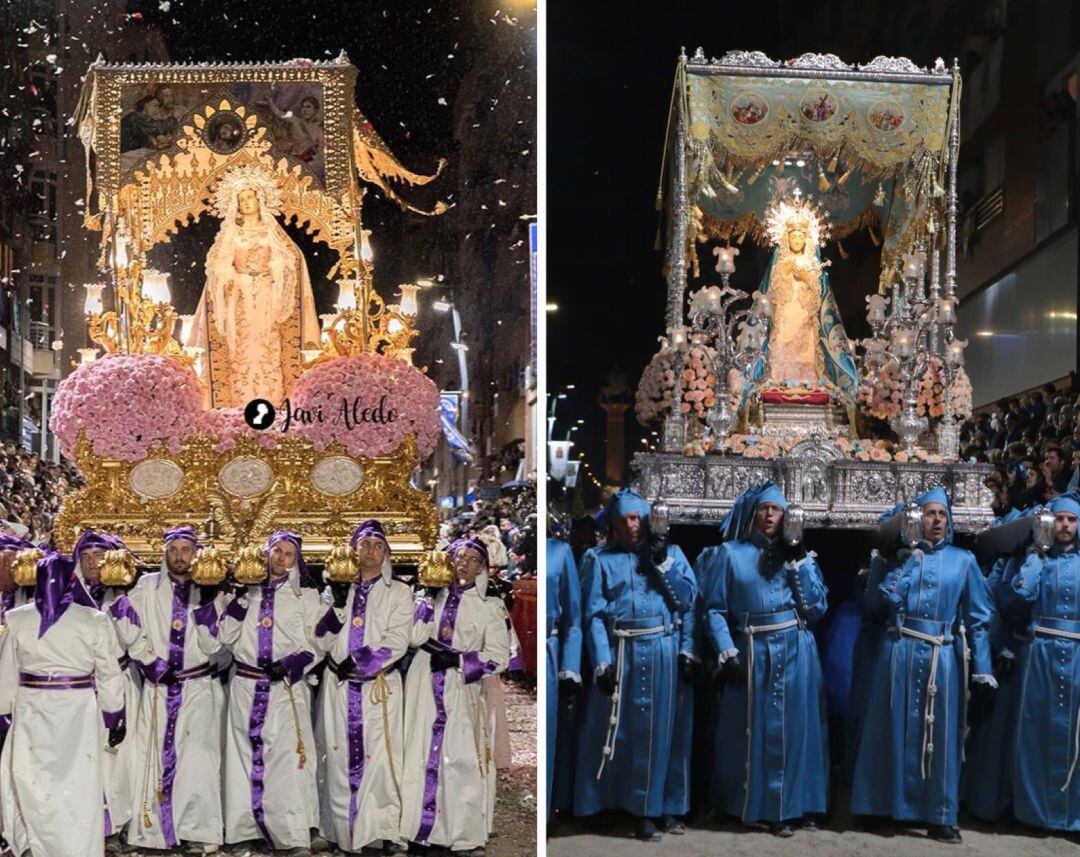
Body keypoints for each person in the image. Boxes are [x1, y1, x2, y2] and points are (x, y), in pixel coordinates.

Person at [850, 487, 995, 843]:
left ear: (950, 521)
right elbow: (875, 606)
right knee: (889, 724)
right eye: (930, 514)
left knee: (940, 734)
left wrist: (983, 670)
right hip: (897, 650)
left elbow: (978, 619)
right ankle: (879, 805)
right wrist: (889, 563)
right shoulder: (898, 560)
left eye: (942, 515)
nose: (936, 520)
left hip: (940, 656)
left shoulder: (964, 561)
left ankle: (940, 815)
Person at [695, 482, 829, 836]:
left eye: (777, 510)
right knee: (745, 730)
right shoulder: (729, 554)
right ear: (752, 513)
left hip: (795, 649)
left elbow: (816, 609)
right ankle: (739, 803)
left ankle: (790, 805)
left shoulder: (800, 558)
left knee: (793, 730)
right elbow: (714, 610)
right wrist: (727, 651)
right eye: (764, 509)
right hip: (751, 650)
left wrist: (798, 559)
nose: (771, 516)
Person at [573, 490, 697, 842]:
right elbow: (593, 615)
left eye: (638, 518)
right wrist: (601, 661)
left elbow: (687, 602)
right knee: (614, 732)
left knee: (659, 734)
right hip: (620, 652)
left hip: (662, 652)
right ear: (613, 523)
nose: (632, 526)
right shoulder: (598, 560)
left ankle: (654, 808)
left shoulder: (673, 556)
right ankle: (607, 803)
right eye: (625, 519)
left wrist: (660, 563)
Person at [0, 552, 127, 857]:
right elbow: (109, 673)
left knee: (32, 778)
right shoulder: (93, 620)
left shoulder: (17, 618)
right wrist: (114, 716)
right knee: (76, 779)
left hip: (34, 707)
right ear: (72, 579)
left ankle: (36, 843)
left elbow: (6, 671)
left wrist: (4, 712)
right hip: (77, 709)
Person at [112, 525, 226, 853]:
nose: (179, 557)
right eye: (173, 550)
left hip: (197, 687)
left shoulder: (213, 591)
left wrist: (207, 604)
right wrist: (150, 663)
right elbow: (125, 623)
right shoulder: (146, 587)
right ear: (165, 553)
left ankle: (196, 830)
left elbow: (216, 644)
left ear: (197, 553)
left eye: (186, 550)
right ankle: (152, 831)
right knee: (152, 758)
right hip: (159, 687)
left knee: (198, 758)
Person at [400, 537, 511, 856]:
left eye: (473, 559)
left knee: (459, 756)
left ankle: (460, 832)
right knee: (420, 752)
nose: (464, 563)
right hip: (425, 680)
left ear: (482, 567)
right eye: (459, 557)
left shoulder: (490, 605)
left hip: (462, 688)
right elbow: (414, 638)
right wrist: (426, 602)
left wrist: (462, 661)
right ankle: (419, 829)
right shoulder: (427, 596)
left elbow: (498, 656)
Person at [219, 531, 322, 851]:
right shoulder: (244, 593)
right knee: (242, 758)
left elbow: (316, 642)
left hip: (284, 687)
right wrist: (240, 598)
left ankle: (289, 833)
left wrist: (291, 664)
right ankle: (243, 830)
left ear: (296, 560)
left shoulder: (306, 597)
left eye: (288, 553)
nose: (280, 557)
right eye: (275, 550)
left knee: (287, 759)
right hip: (246, 686)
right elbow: (224, 635)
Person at [315, 520, 413, 855]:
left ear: (386, 553)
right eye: (364, 544)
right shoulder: (334, 588)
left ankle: (379, 830)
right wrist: (339, 606)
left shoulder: (399, 592)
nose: (370, 551)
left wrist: (361, 663)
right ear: (353, 549)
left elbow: (398, 639)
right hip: (337, 687)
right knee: (337, 755)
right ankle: (340, 832)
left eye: (377, 545)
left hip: (377, 688)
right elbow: (320, 639)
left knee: (380, 760)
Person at [187, 163, 320, 408]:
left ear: (260, 199)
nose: (246, 202)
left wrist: (274, 270)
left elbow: (291, 261)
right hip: (239, 300)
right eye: (241, 198)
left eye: (250, 197)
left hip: (269, 298)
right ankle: (237, 402)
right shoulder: (230, 233)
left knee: (268, 347)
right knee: (240, 349)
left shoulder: (273, 233)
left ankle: (273, 399)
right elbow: (217, 266)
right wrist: (232, 275)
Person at [1001, 491, 1080, 831]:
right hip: (1041, 653)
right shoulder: (1038, 561)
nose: (1064, 525)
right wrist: (1037, 554)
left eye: (1071, 520)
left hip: (1077, 653)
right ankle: (1033, 812)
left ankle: (1071, 814)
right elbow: (1018, 596)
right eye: (1059, 519)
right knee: (1034, 730)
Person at [71, 529, 142, 843]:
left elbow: (130, 638)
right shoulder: (64, 596)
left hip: (117, 683)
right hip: (80, 688)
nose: (91, 563)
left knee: (117, 757)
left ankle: (115, 825)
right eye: (85, 557)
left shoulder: (123, 597)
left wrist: (118, 599)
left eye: (98, 556)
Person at [545, 536, 582, 819]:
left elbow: (573, 617)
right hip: (544, 645)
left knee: (551, 729)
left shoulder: (560, 551)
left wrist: (570, 664)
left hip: (552, 647)